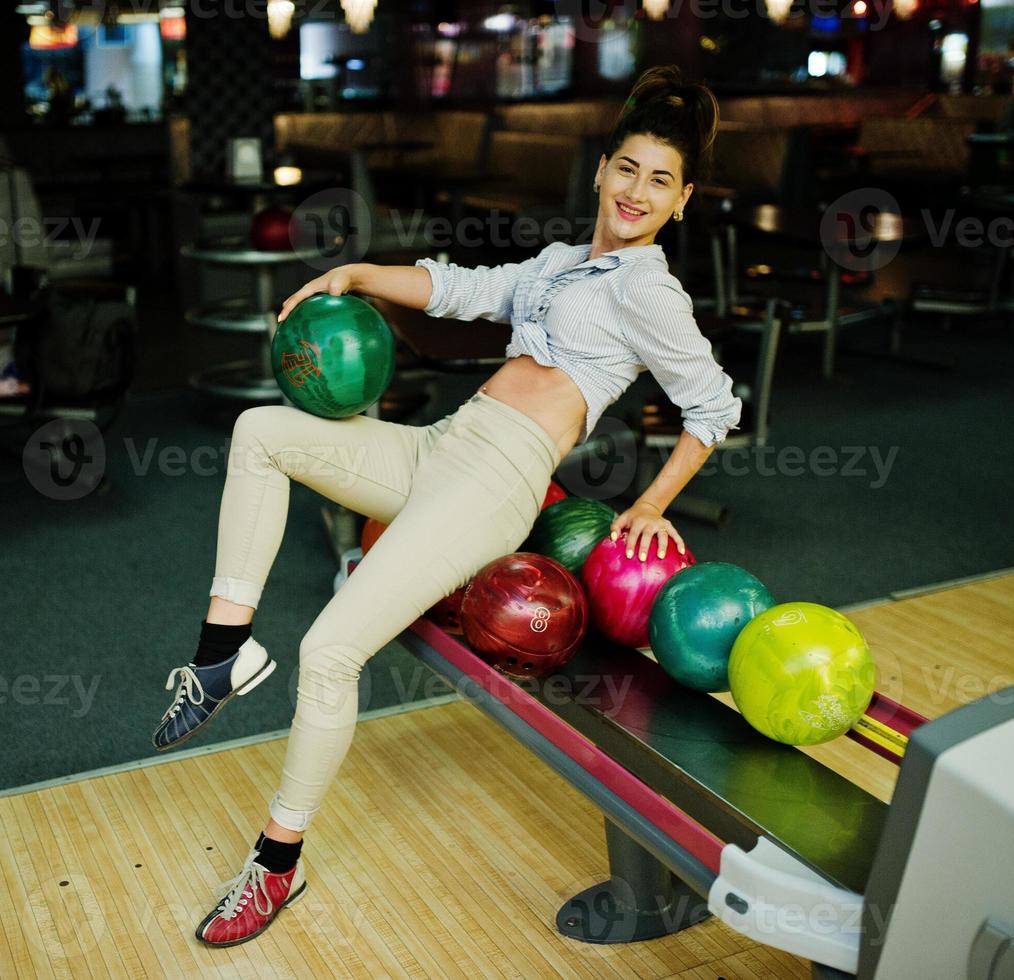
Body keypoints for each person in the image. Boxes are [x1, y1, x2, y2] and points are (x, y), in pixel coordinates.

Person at [153, 64, 741, 948]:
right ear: (600, 172)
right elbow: (460, 287)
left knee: (328, 651)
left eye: (660, 180)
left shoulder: (645, 289)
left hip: (495, 481)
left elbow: (713, 405)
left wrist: (653, 502)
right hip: (440, 446)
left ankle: (276, 866)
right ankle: (221, 657)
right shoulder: (558, 264)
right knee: (259, 431)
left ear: (681, 201)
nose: (636, 190)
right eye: (627, 168)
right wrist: (353, 272)